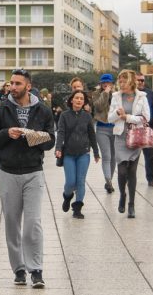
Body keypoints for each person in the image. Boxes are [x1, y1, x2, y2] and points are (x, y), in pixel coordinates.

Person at [0, 68, 55, 288]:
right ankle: (18, 269)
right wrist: (7, 134)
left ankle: (36, 270)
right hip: (8, 173)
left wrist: (34, 137)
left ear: (28, 85)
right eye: (11, 83)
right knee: (12, 224)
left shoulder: (43, 111)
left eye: (17, 84)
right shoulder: (1, 109)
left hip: (34, 172)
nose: (13, 87)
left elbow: (51, 141)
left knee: (33, 224)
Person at [108, 69, 150, 217]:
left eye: (124, 81)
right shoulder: (115, 97)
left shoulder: (142, 97)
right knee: (122, 171)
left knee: (132, 171)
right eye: (119, 81)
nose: (121, 83)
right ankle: (122, 195)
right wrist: (117, 114)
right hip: (120, 137)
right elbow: (109, 119)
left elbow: (146, 118)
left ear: (131, 81)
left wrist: (127, 117)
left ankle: (131, 204)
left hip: (135, 137)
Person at [55, 90, 100, 219]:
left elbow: (92, 135)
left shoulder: (87, 116)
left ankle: (77, 208)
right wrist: (58, 148)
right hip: (68, 154)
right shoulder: (64, 115)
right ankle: (67, 196)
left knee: (80, 181)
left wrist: (96, 152)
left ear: (84, 101)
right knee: (70, 182)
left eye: (81, 98)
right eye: (77, 98)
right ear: (72, 100)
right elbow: (61, 132)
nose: (79, 100)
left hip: (84, 153)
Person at [90, 73, 116, 193]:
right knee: (106, 156)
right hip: (102, 128)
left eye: (108, 82)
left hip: (116, 129)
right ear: (100, 83)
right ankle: (108, 181)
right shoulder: (96, 94)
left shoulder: (117, 94)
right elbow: (99, 107)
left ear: (112, 83)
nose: (106, 84)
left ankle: (109, 180)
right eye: (103, 82)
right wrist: (105, 93)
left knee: (114, 157)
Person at [138, 74, 153, 187]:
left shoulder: (150, 94)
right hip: (132, 128)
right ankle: (129, 177)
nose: (140, 82)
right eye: (138, 80)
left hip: (147, 128)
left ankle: (151, 178)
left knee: (149, 155)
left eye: (142, 80)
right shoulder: (129, 93)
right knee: (132, 156)